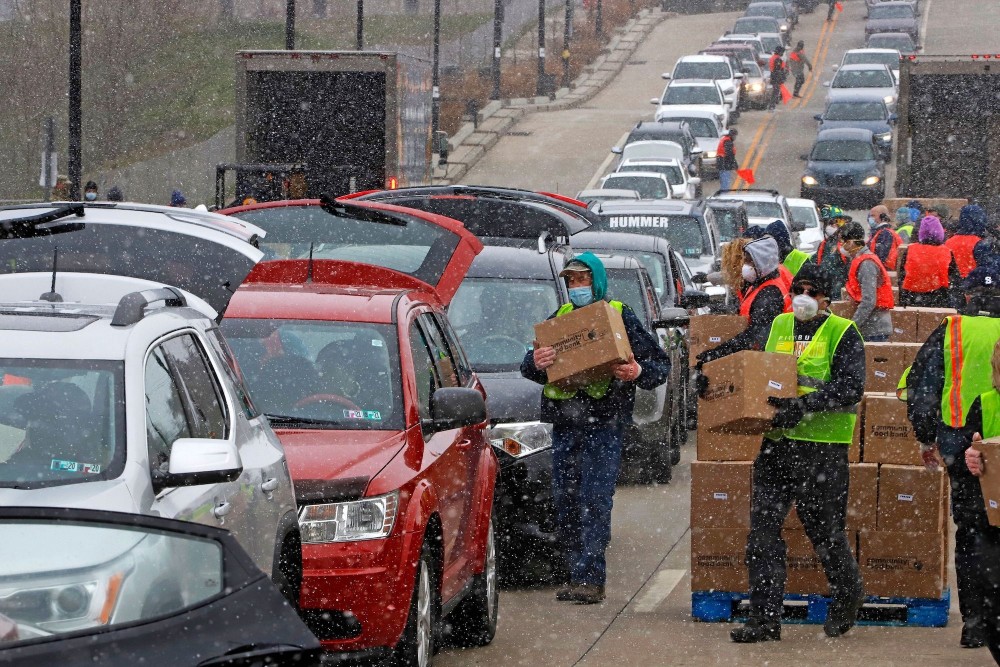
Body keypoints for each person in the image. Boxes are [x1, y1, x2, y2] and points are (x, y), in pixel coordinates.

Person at [521, 253, 670, 604]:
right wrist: (534, 362)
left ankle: (591, 578)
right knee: (567, 500)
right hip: (566, 427)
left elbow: (658, 364)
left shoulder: (619, 315)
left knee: (594, 499)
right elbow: (530, 364)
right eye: (571, 281)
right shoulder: (559, 320)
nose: (577, 287)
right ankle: (576, 575)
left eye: (583, 280)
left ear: (597, 281)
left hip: (603, 425)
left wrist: (637, 372)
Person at [729, 263, 866, 643]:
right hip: (778, 445)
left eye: (812, 290)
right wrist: (717, 375)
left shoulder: (843, 332)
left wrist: (803, 406)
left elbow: (851, 388)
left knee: (825, 533)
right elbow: (758, 369)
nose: (803, 297)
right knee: (762, 534)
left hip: (822, 450)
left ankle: (848, 592)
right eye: (798, 289)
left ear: (827, 297)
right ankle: (764, 619)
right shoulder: (780, 326)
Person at [907, 263, 1000, 649]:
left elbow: (922, 381)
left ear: (968, 296)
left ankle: (976, 624)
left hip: (962, 442)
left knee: (973, 534)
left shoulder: (952, 329)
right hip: (990, 438)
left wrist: (927, 437)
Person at [963, 344, 1000, 659]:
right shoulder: (985, 403)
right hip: (994, 516)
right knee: (990, 588)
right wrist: (972, 458)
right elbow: (969, 446)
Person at [698, 236, 789, 365]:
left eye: (749, 262)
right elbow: (745, 313)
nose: (745, 267)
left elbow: (754, 336)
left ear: (761, 262)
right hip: (764, 358)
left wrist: (717, 354)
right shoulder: (758, 285)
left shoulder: (770, 293)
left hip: (768, 360)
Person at [840, 221, 894, 341]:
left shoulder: (866, 264)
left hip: (873, 329)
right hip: (869, 327)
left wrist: (852, 326)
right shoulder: (860, 259)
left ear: (851, 242)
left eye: (843, 242)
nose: (841, 246)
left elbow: (869, 300)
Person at [897, 214, 962, 309]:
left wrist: (903, 299)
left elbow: (902, 276)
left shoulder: (910, 250)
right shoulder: (946, 252)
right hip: (938, 298)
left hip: (911, 297)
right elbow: (955, 279)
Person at [947, 204, 989, 278]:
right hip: (975, 283)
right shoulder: (980, 243)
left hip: (954, 283)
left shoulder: (949, 242)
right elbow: (986, 269)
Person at [867, 204, 903, 271]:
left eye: (873, 215)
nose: (870, 218)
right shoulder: (880, 232)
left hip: (883, 269)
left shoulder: (885, 233)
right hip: (882, 268)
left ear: (882, 216)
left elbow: (881, 255)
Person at [768, 46, 788, 111]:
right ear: (779, 52)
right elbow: (778, 70)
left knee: (775, 92)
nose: (782, 53)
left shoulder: (773, 57)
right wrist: (781, 78)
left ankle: (772, 106)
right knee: (775, 92)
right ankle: (771, 107)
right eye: (782, 52)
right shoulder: (777, 59)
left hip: (774, 76)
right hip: (776, 78)